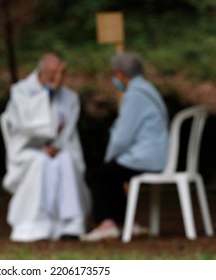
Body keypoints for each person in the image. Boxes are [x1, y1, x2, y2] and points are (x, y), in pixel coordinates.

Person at [0, 53, 91, 242]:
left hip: (58, 148)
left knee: (65, 160)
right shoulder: (21, 91)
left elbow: (68, 132)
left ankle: (69, 224)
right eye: (52, 75)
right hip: (26, 149)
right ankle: (34, 225)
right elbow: (26, 124)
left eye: (59, 75)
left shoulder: (70, 97)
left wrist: (55, 146)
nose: (57, 80)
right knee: (41, 162)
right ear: (42, 73)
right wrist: (48, 92)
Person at [80, 52, 169, 242]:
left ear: (121, 74)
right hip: (155, 154)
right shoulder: (148, 89)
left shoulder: (134, 95)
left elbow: (122, 138)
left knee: (98, 174)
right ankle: (123, 222)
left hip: (146, 157)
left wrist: (109, 158)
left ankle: (106, 224)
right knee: (110, 173)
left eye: (115, 73)